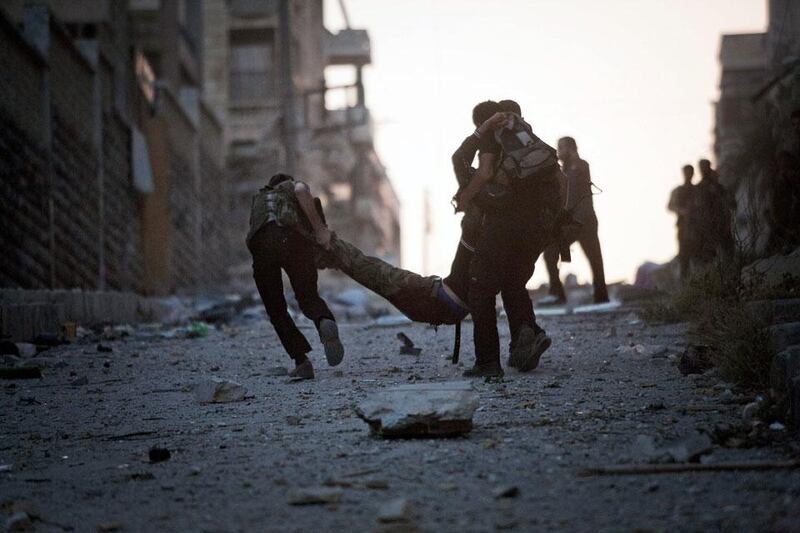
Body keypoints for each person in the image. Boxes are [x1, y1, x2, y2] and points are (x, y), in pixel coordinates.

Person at [456, 100, 561, 377]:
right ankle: (526, 337)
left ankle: (488, 362)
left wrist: (465, 197)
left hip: (505, 222)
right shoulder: (525, 136)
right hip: (539, 224)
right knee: (513, 282)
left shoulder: (492, 136)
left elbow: (485, 171)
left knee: (480, 287)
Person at [246, 173, 344, 380]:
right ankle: (323, 320)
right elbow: (301, 192)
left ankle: (301, 361)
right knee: (308, 297)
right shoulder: (293, 187)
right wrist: (320, 230)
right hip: (293, 242)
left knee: (276, 309)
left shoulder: (260, 199)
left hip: (262, 245)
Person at [540, 136, 608, 304]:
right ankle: (558, 293)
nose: (558, 152)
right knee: (550, 252)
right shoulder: (564, 170)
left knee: (594, 259)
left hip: (583, 222)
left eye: (561, 148)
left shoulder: (580, 166)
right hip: (572, 223)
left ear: (570, 148)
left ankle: (600, 296)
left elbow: (573, 189)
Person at [694, 159, 734, 264]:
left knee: (727, 251)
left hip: (721, 221)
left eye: (705, 167)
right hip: (707, 223)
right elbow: (697, 207)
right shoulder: (699, 188)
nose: (704, 170)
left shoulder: (719, 186)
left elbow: (731, 203)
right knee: (710, 254)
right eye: (702, 167)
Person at [667, 164, 697, 280]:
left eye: (690, 172)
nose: (688, 175)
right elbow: (670, 206)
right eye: (686, 172)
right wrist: (682, 211)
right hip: (684, 228)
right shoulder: (678, 191)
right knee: (684, 257)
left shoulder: (697, 190)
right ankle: (685, 284)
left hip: (698, 227)